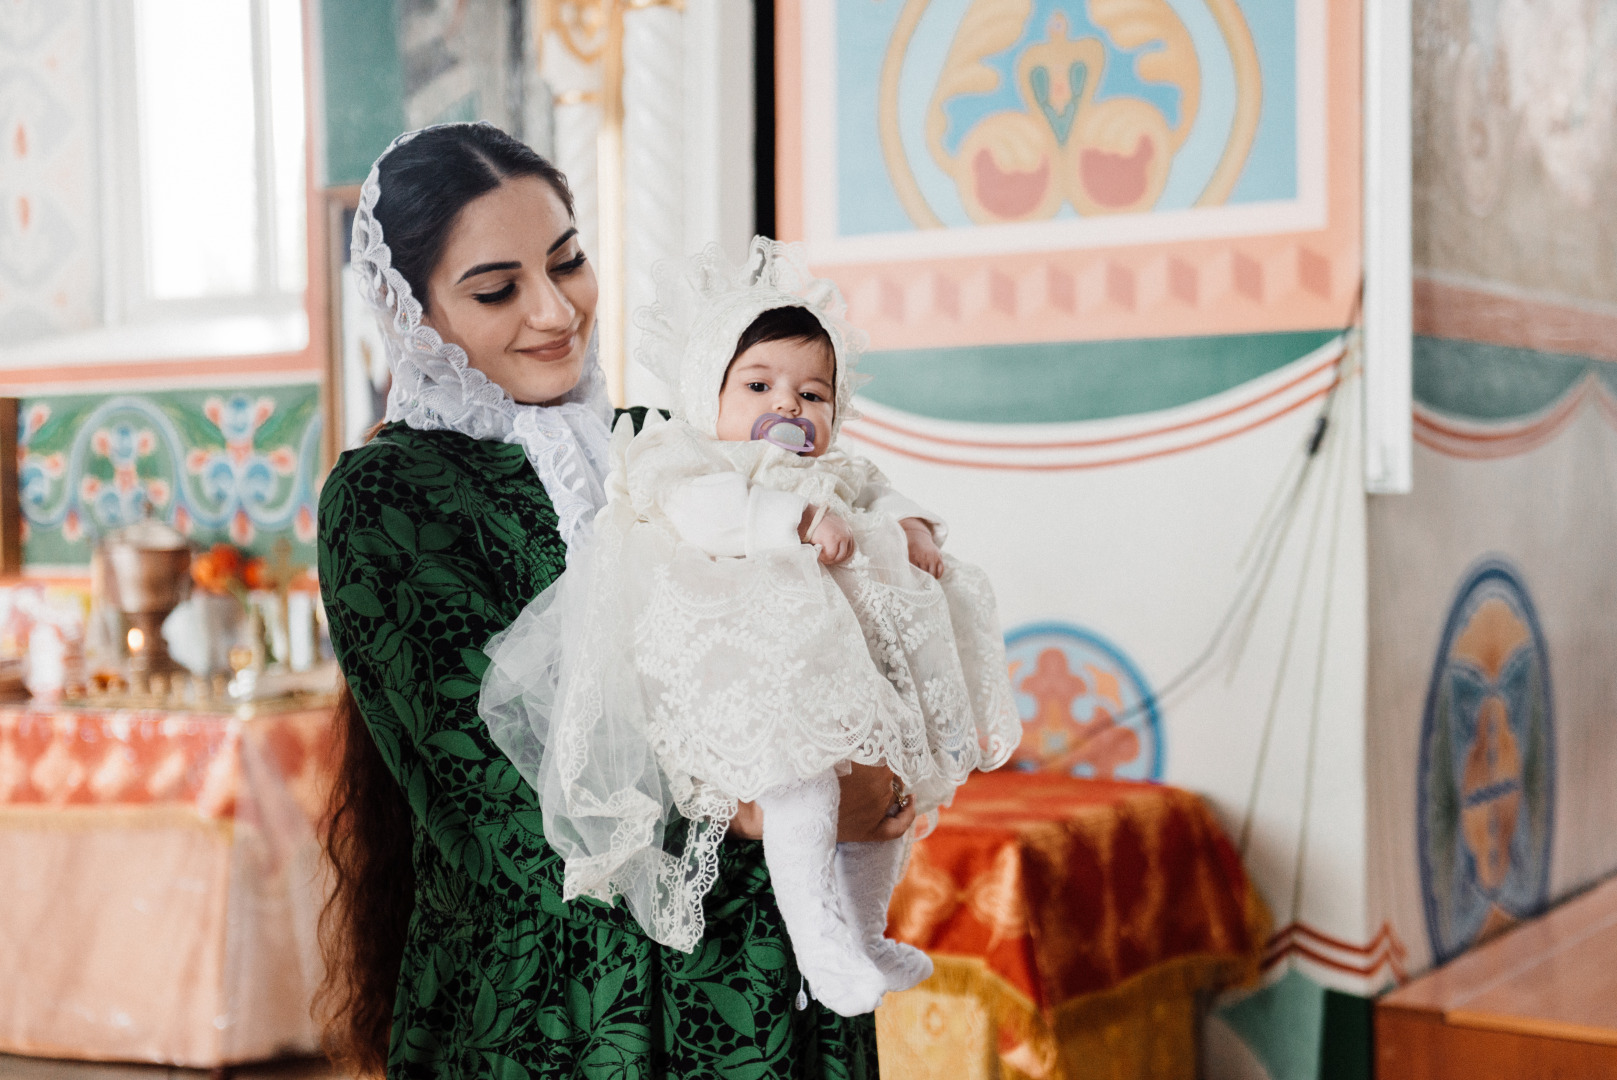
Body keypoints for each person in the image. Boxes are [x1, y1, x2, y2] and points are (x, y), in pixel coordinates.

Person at [317, 122, 910, 1079]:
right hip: (569, 1007)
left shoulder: (663, 443)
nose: (554, 311)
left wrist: (879, 740)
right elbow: (508, 812)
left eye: (568, 262)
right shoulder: (390, 498)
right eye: (496, 288)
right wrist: (775, 808)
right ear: (413, 315)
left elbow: (826, 603)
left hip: (768, 974)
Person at [479, 240, 1021, 1018]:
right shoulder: (692, 458)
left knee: (885, 804)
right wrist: (791, 517)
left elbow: (882, 489)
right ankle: (821, 947)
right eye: (760, 383)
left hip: (839, 680)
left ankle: (863, 933)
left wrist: (915, 528)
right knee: (798, 795)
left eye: (814, 393)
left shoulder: (837, 472)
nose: (790, 405)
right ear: (711, 393)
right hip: (749, 678)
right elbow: (700, 513)